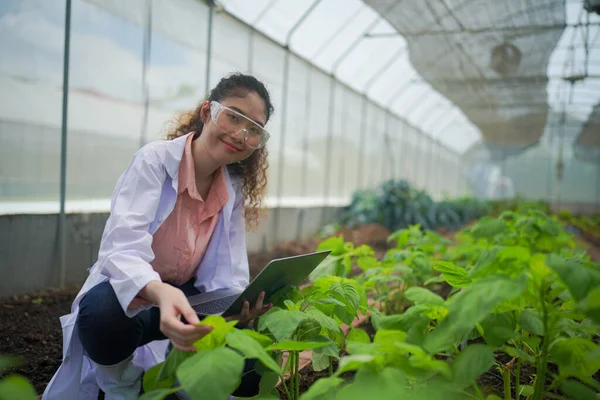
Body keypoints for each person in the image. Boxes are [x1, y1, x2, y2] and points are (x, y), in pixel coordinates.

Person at [42, 73, 275, 400]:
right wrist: (162, 293)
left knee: (253, 366)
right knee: (103, 313)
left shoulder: (231, 188)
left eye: (254, 130)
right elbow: (120, 249)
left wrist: (239, 308)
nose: (241, 134)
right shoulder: (155, 160)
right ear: (207, 112)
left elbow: (227, 271)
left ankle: (176, 375)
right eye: (234, 117)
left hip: (186, 298)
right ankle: (123, 385)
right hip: (143, 294)